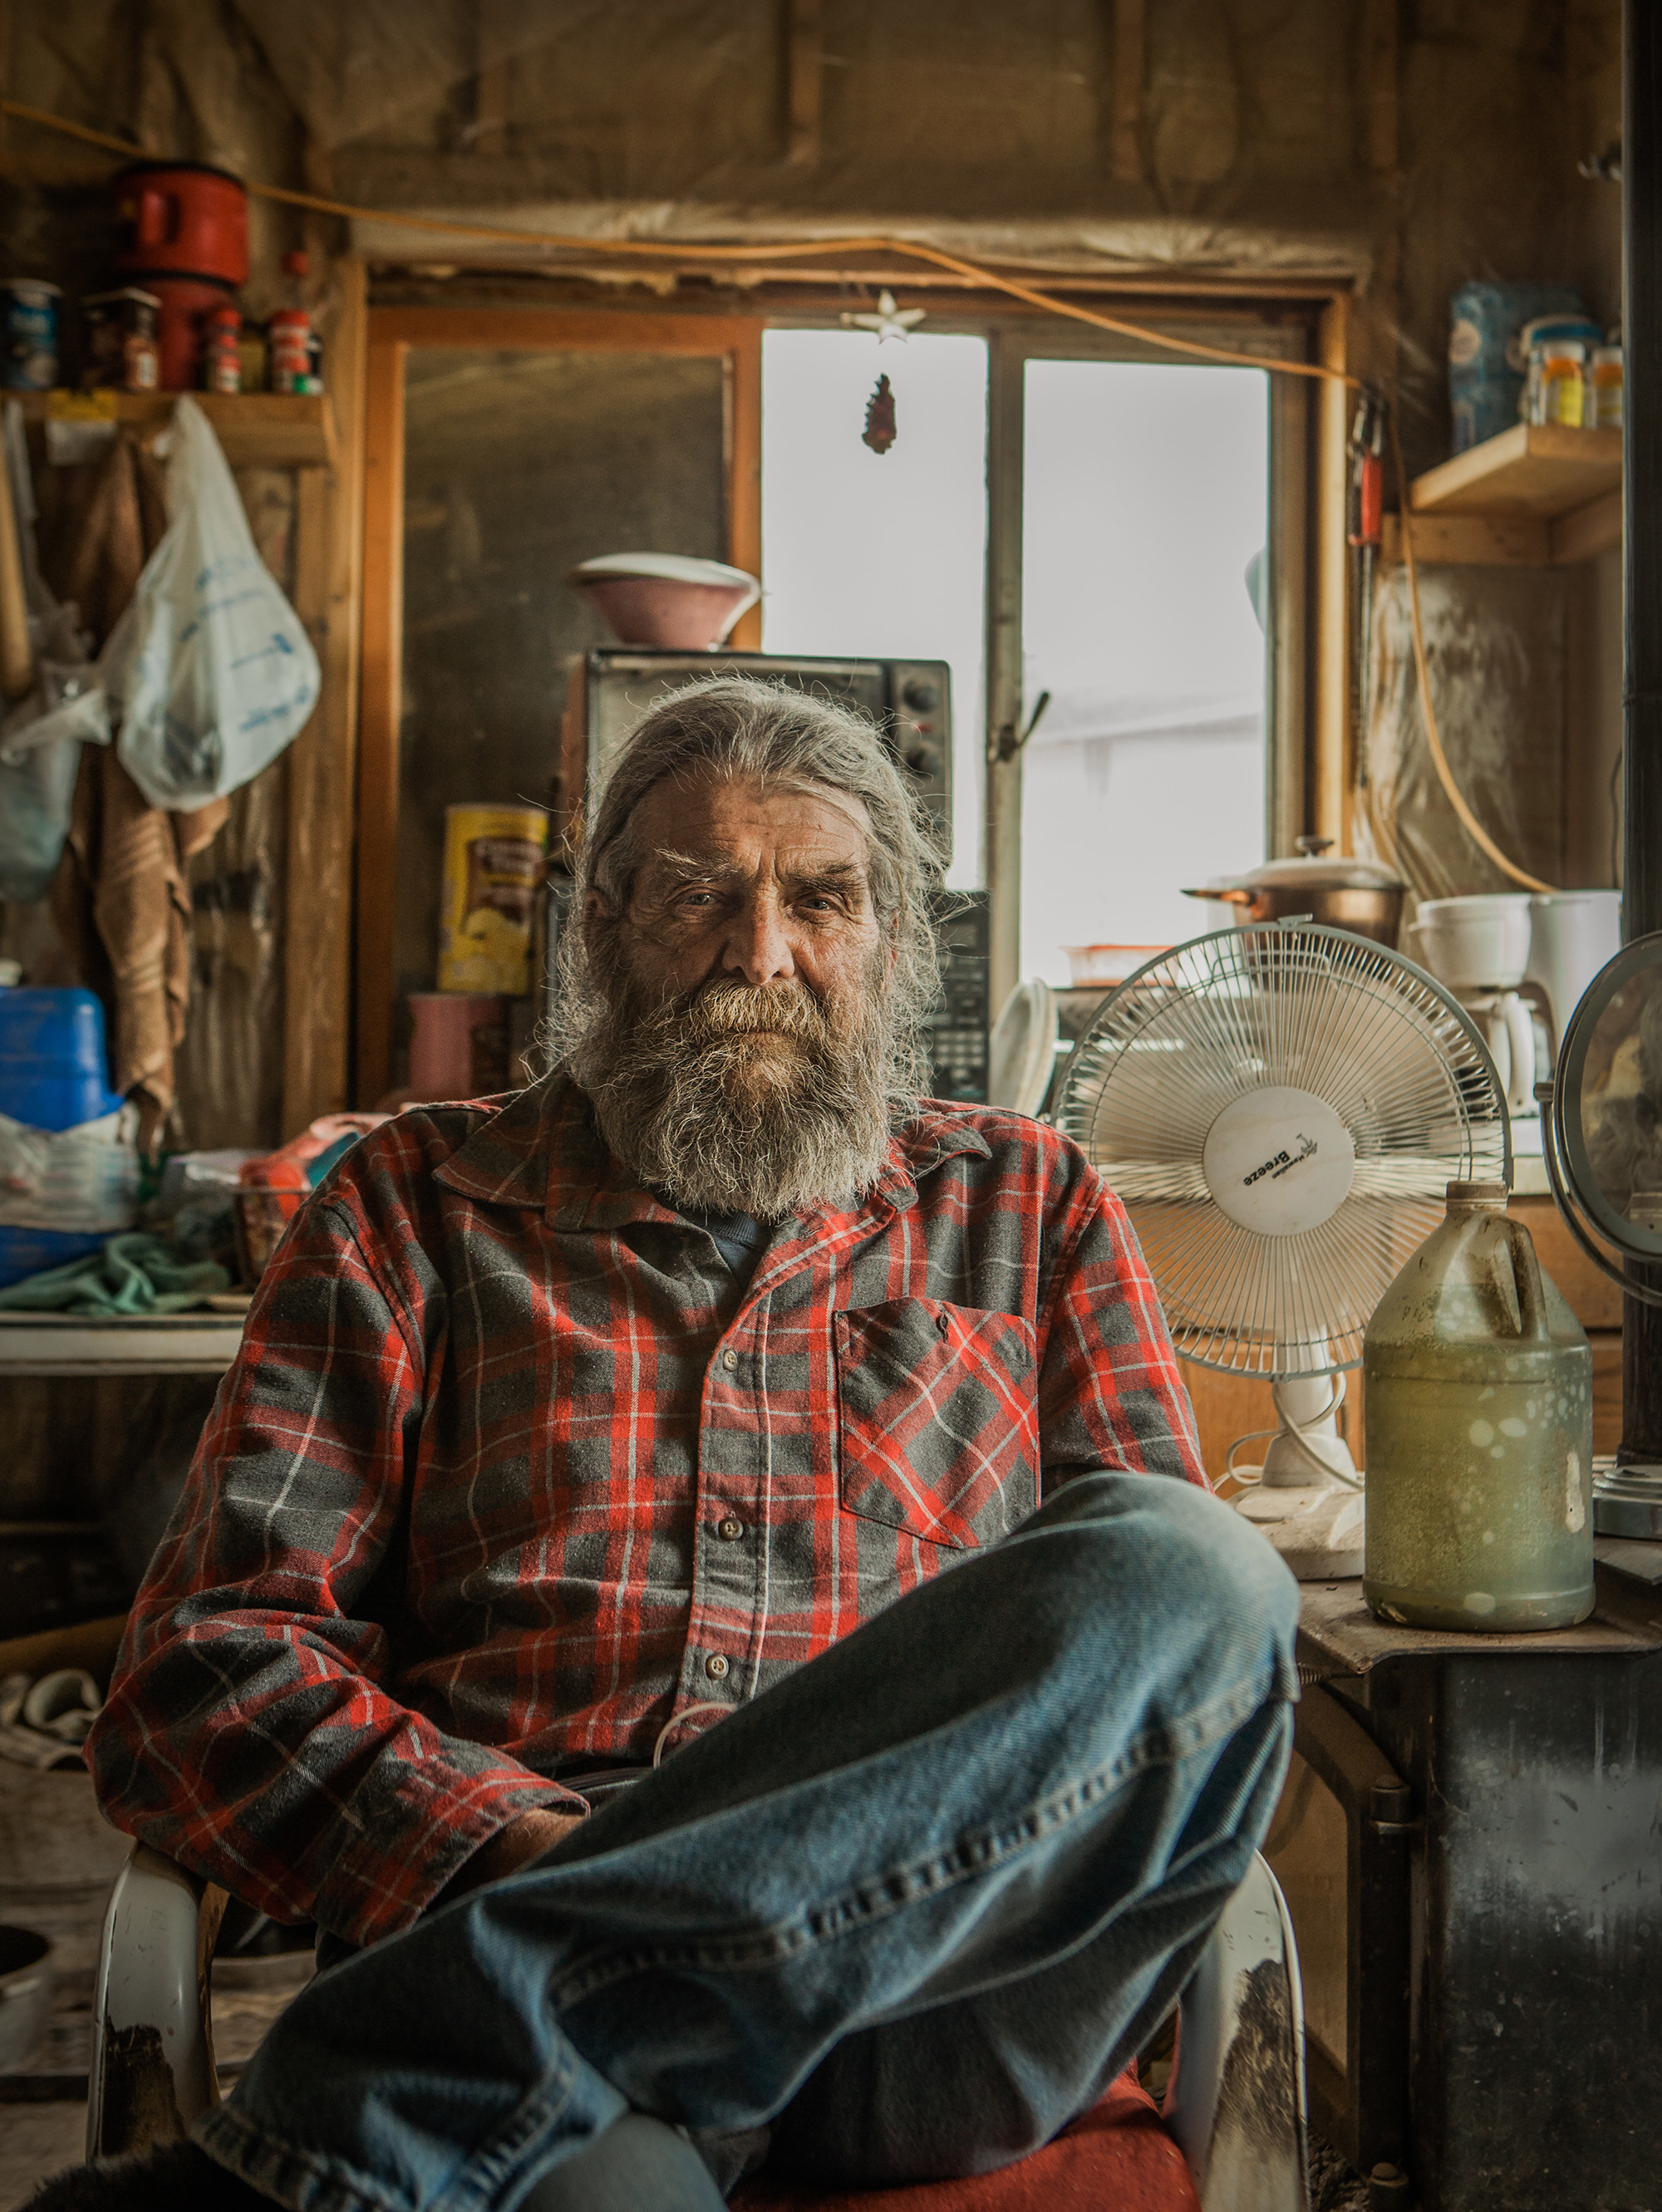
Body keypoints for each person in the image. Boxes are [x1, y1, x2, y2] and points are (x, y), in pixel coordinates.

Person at [34, 678, 1298, 2212]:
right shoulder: (407, 1208)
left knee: (1200, 1579)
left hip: (930, 2007)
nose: (758, 957)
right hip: (560, 2026)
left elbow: (1160, 1689)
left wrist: (599, 1902)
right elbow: (202, 1672)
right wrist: (519, 1847)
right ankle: (538, 1995)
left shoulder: (1028, 1202)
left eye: (820, 900)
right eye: (699, 896)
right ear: (601, 928)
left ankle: (396, 2088)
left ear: (894, 945)